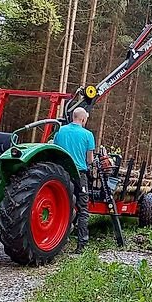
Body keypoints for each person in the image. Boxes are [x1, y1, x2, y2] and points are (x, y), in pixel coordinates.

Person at [53, 107, 95, 254]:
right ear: (83, 119)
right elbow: (89, 160)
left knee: (60, 207)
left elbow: (55, 150)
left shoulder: (60, 131)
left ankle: (58, 241)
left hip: (60, 174)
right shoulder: (88, 134)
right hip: (79, 174)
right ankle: (81, 245)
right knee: (83, 210)